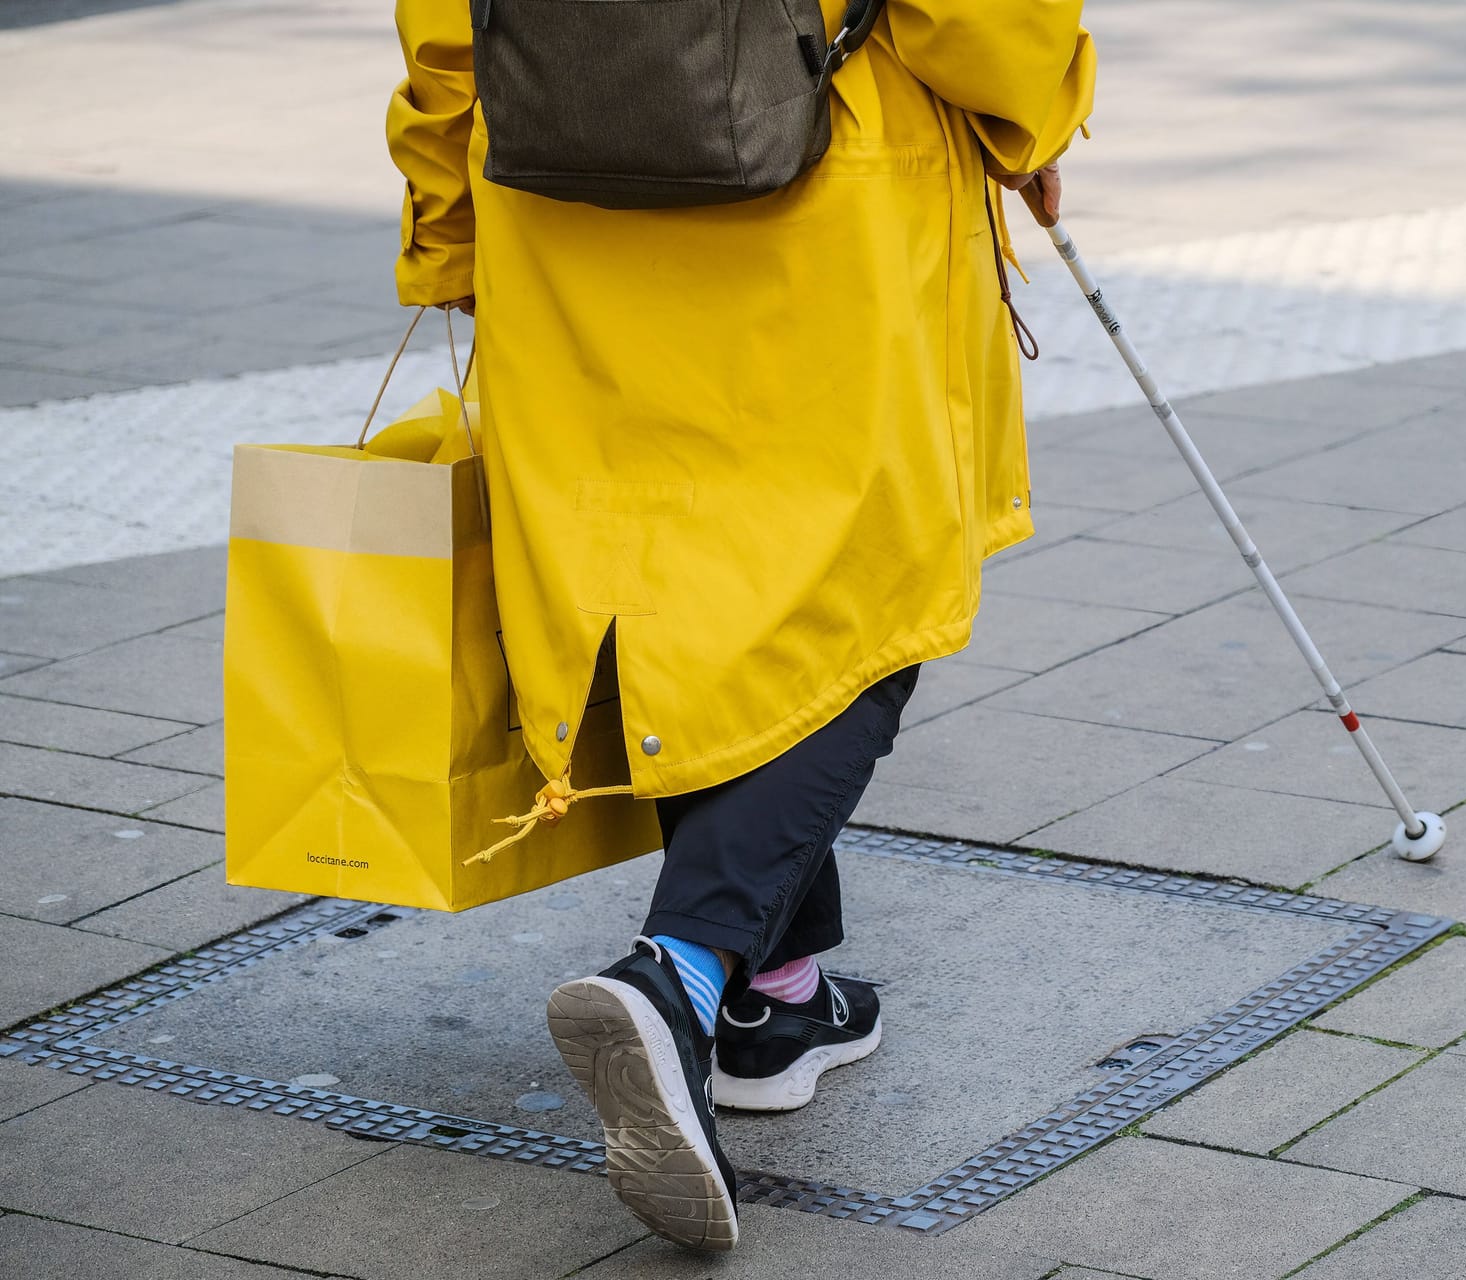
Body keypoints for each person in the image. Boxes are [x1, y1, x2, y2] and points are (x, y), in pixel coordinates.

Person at [387, 0, 1095, 1252]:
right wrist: (1033, 113)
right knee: (857, 599)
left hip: (558, 188)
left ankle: (780, 994)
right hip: (819, 188)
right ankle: (687, 972)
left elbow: (445, 20)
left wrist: (449, 227)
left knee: (676, 588)